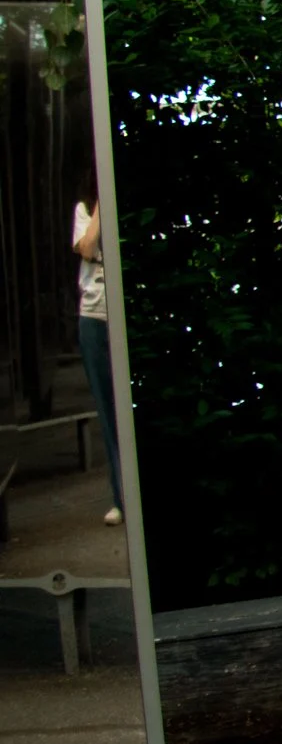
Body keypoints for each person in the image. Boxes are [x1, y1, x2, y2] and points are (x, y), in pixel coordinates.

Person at [72, 168, 122, 528]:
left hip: (119, 314)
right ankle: (119, 497)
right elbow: (87, 248)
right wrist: (100, 209)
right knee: (107, 411)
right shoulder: (83, 210)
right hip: (94, 315)